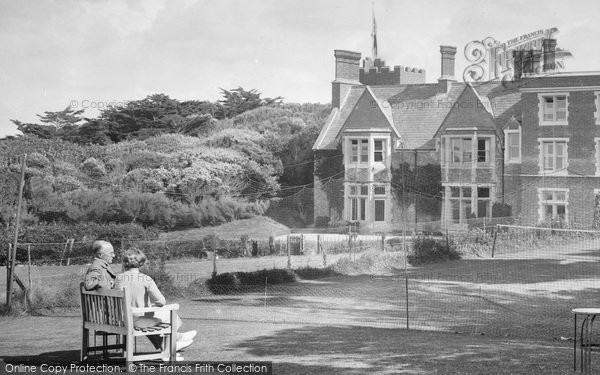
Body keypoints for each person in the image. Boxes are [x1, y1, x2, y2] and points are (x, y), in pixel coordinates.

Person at [114, 249, 196, 360]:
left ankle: (175, 340)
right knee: (170, 315)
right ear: (141, 263)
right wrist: (151, 305)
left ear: (125, 262)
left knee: (159, 316)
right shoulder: (146, 279)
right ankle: (169, 349)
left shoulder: (118, 278)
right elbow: (162, 301)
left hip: (121, 319)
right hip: (136, 320)